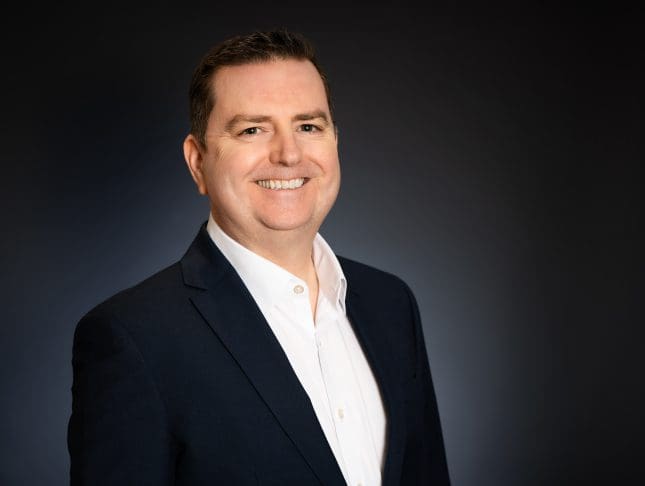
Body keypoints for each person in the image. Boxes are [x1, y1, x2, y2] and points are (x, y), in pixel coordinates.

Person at [68, 30, 450, 485]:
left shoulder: (391, 304)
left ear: (334, 141)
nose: (288, 154)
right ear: (197, 162)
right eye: (252, 130)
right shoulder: (133, 338)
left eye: (308, 126)